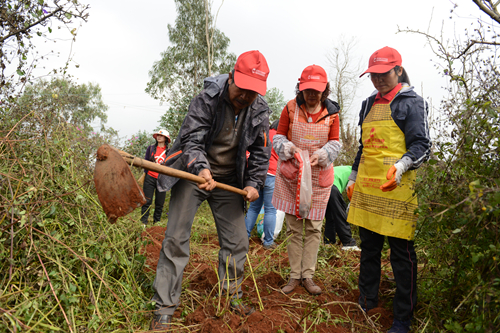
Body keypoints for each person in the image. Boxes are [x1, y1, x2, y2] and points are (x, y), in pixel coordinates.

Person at [150, 50, 271, 330]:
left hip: (229, 179)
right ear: (231, 77)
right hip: (194, 173)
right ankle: (164, 307)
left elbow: (261, 153)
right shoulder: (207, 98)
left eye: (253, 92)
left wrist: (253, 183)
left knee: (238, 241)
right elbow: (192, 139)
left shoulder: (260, 110)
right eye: (243, 89)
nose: (246, 96)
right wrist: (201, 169)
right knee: (176, 236)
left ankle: (232, 296)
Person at [346, 46, 431, 333]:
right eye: (373, 75)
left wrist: (402, 166)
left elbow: (422, 145)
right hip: (368, 188)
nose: (378, 80)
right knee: (369, 249)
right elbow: (363, 147)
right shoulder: (368, 104)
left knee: (401, 254)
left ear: (398, 70)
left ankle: (402, 317)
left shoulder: (412, 102)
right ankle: (368, 300)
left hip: (397, 188)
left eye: (384, 74)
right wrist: (352, 177)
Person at [272, 65, 341, 295]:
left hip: (318, 177)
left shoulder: (332, 113)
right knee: (294, 229)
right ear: (300, 89)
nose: (312, 94)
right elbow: (278, 136)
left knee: (313, 229)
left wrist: (323, 155)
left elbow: (335, 142)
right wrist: (289, 149)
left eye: (317, 90)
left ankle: (308, 276)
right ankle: (293, 276)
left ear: (325, 91)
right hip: (293, 175)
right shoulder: (290, 108)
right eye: (307, 90)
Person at [244, 118, 279, 250]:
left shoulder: (263, 134)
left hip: (257, 175)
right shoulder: (280, 138)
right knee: (270, 210)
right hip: (272, 175)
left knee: (253, 207)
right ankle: (268, 242)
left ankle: (243, 237)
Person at [324, 165, 360, 251]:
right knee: (340, 214)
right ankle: (348, 243)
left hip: (324, 186)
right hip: (332, 185)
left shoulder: (348, 169)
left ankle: (328, 243)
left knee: (330, 216)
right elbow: (353, 192)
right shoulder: (356, 173)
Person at [140, 129, 171, 225]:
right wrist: (145, 174)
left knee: (159, 203)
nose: (159, 137)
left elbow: (170, 166)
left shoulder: (169, 151)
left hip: (162, 180)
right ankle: (143, 223)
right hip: (150, 177)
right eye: (158, 135)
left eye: (161, 136)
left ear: (166, 138)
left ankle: (156, 223)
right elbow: (145, 162)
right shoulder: (150, 148)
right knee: (146, 201)